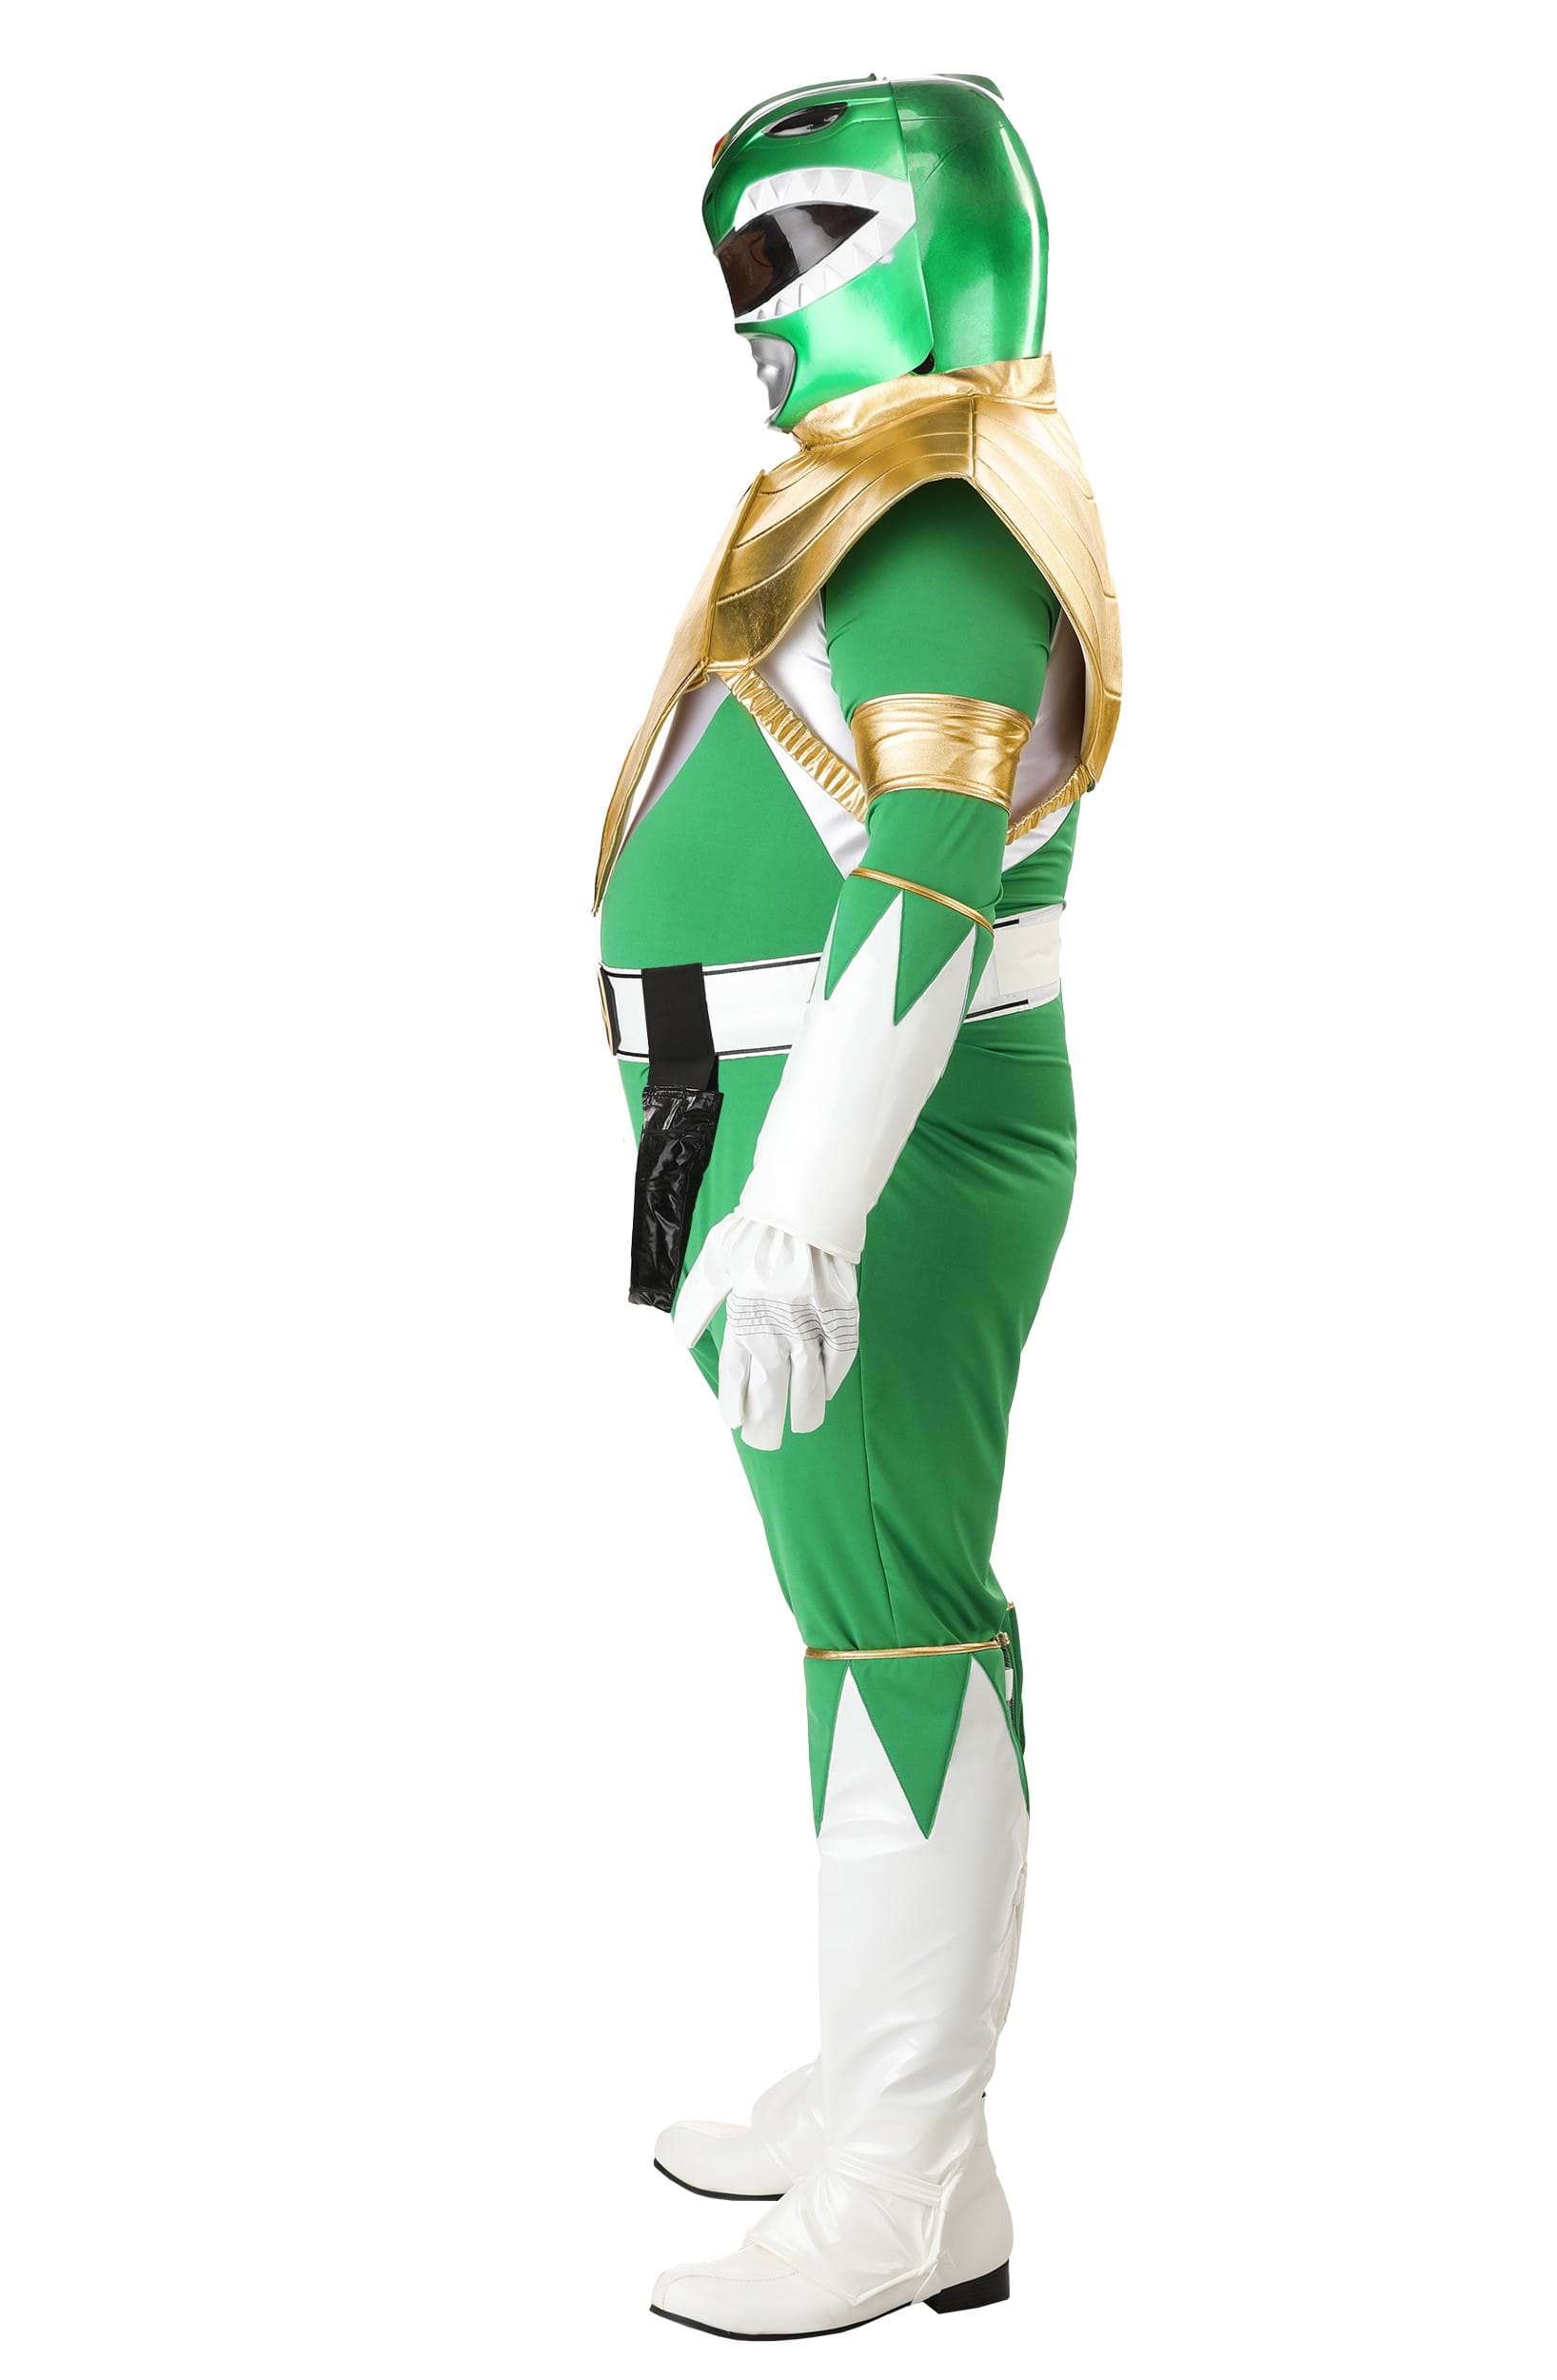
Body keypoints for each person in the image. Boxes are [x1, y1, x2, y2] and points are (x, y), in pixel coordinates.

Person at [594, 72, 1120, 2340]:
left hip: (868, 1130)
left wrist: (808, 1199)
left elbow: (924, 870)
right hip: (789, 1113)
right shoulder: (893, 506)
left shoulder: (942, 520)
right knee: (862, 1607)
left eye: (787, 249)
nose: (749, 310)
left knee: (896, 1612)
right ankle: (898, 2104)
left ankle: (905, 2168)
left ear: (930, 235)